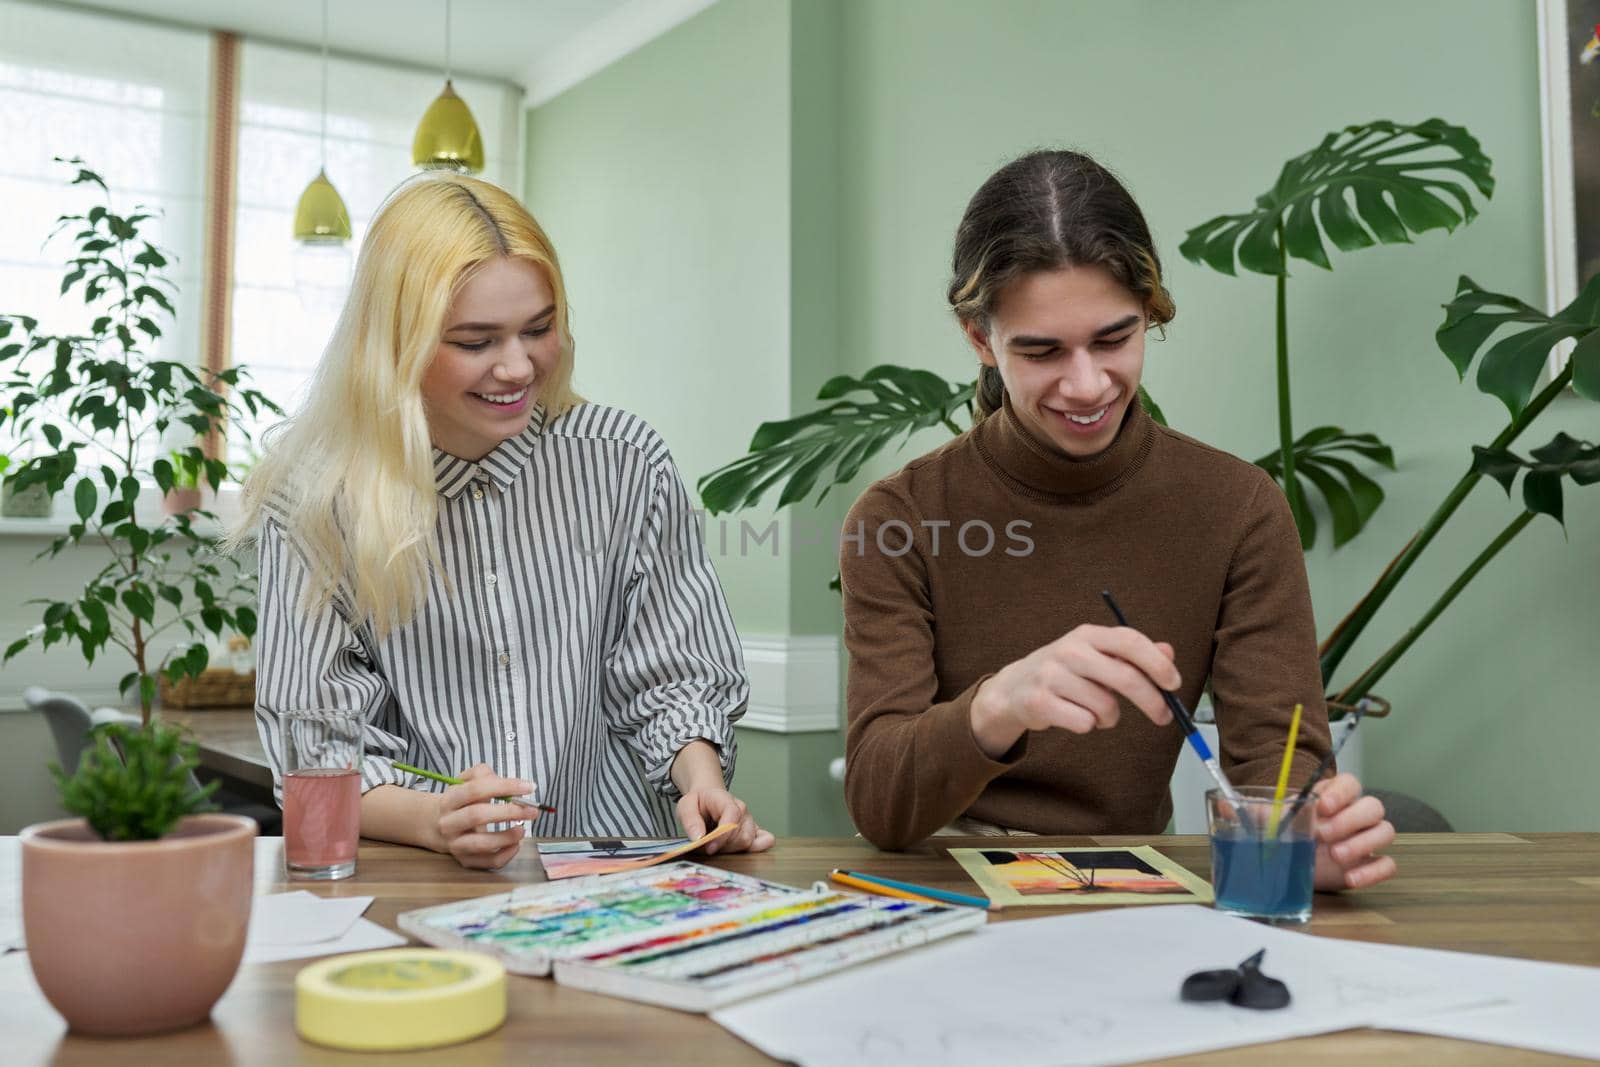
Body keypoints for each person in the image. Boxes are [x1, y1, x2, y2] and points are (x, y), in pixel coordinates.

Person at [839, 150, 1394, 892]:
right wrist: (1000, 702)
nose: (1088, 384)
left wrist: (1297, 833)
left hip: (1132, 889)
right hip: (943, 891)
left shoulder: (1237, 507)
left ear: (1148, 315)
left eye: (1113, 339)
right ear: (981, 339)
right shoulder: (899, 516)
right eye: (1042, 351)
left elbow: (1276, 760)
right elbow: (880, 802)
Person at [232, 173, 772, 869]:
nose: (518, 366)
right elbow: (316, 751)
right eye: (475, 340)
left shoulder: (626, 462)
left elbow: (672, 678)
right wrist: (434, 819)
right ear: (396, 344)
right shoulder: (314, 501)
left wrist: (703, 782)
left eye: (539, 328)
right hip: (422, 884)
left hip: (617, 877)